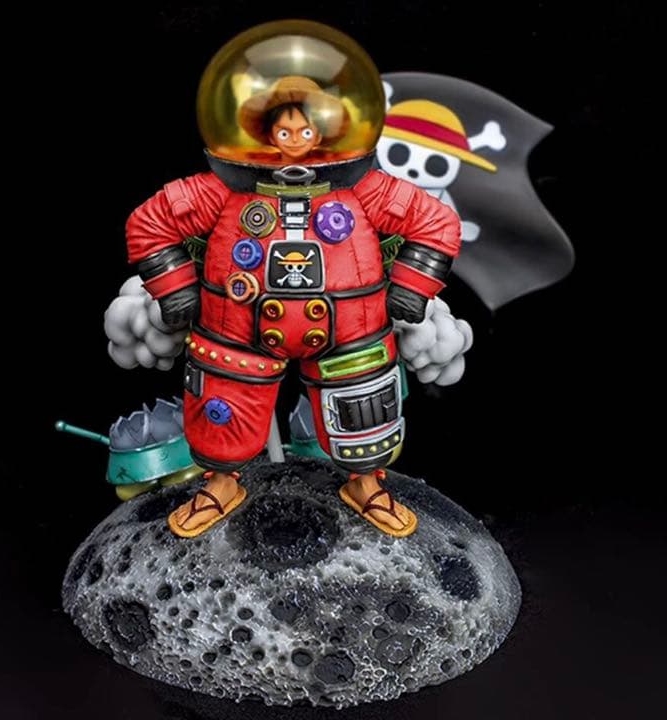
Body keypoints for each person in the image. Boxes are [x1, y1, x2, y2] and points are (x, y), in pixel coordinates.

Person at [126, 74, 461, 539]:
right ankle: (220, 483)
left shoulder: (364, 189)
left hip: (351, 332)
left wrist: (411, 286)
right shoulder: (224, 190)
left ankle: (366, 483)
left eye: (306, 131)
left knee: (364, 414)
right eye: (284, 131)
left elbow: (436, 222)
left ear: (325, 131)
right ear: (265, 133)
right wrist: (178, 290)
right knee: (222, 409)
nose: (295, 142)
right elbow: (151, 222)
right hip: (236, 330)